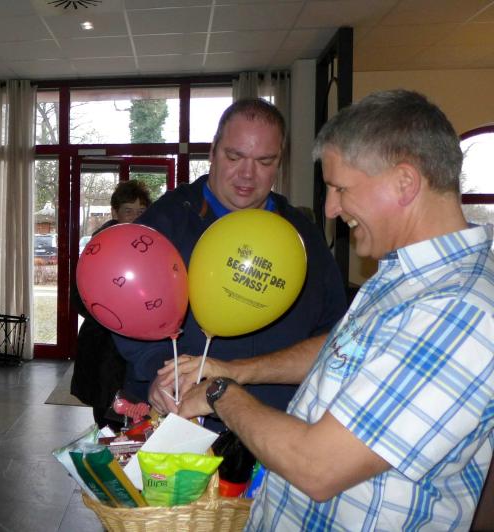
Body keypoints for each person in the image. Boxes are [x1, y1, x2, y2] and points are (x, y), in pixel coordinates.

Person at [177, 89, 494, 530]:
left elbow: (317, 466)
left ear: (405, 183)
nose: (330, 208)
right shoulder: (405, 276)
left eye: (341, 188)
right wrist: (235, 370)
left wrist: (220, 393)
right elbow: (342, 351)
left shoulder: (458, 310)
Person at [115, 98, 347, 427]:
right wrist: (158, 370)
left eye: (264, 161)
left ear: (280, 162)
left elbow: (333, 332)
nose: (247, 174)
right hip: (178, 418)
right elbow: (125, 307)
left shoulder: (303, 237)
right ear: (212, 152)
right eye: (234, 157)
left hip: (273, 426)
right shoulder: (165, 222)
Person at [71, 179, 151, 429]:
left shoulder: (152, 247)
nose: (136, 218)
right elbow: (78, 298)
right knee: (107, 418)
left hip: (138, 348)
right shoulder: (98, 247)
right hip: (104, 347)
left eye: (141, 211)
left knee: (137, 418)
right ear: (115, 212)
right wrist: (113, 315)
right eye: (129, 211)